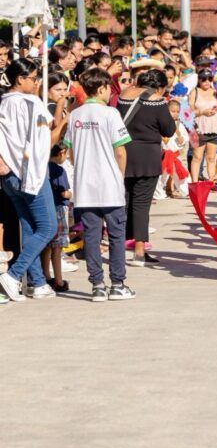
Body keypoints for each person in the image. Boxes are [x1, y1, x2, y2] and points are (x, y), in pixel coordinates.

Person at [64, 68, 134, 302]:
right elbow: (121, 151)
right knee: (115, 236)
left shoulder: (75, 115)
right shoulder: (111, 114)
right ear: (102, 88)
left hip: (85, 187)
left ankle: (97, 285)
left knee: (92, 237)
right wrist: (119, 176)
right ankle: (118, 283)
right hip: (110, 186)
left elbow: (71, 152)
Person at [0, 59, 59, 302]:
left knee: (30, 226)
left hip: (9, 174)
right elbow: (45, 137)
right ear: (19, 79)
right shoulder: (30, 102)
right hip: (29, 172)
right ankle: (14, 274)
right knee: (48, 227)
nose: (37, 83)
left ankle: (37, 282)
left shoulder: (3, 103)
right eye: (34, 78)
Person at [118, 68, 176, 267]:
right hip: (147, 158)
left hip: (122, 155)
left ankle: (119, 247)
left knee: (123, 202)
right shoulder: (157, 100)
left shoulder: (124, 95)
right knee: (141, 204)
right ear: (159, 87)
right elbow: (169, 129)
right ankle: (139, 252)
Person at [42, 144, 72, 292]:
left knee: (47, 246)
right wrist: (70, 195)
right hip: (58, 211)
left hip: (44, 210)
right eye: (66, 154)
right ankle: (59, 280)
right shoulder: (59, 171)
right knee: (57, 248)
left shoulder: (43, 167)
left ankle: (46, 276)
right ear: (61, 153)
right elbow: (64, 193)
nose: (66, 157)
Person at [188, 69, 217, 184]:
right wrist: (202, 112)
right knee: (197, 157)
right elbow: (188, 113)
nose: (207, 81)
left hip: (214, 129)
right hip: (197, 129)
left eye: (209, 79)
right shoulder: (194, 92)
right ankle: (194, 183)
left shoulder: (214, 91)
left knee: (211, 158)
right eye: (204, 79)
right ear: (199, 80)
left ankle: (211, 182)